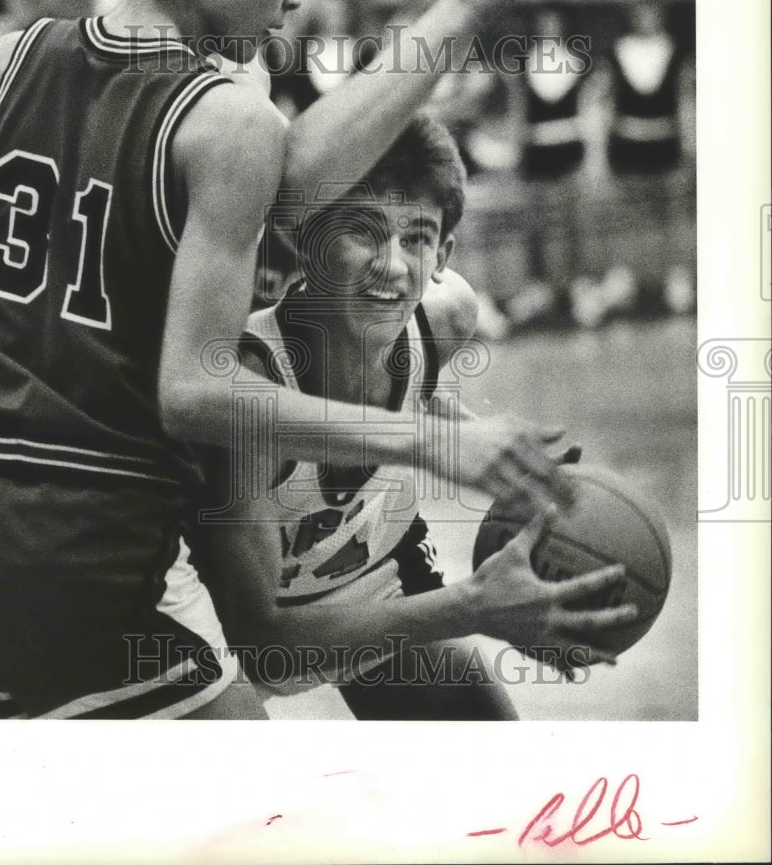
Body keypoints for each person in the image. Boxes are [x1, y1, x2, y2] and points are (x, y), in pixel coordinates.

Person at [0, 0, 573, 721]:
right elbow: (196, 393)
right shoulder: (227, 121)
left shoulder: (3, 62)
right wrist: (435, 443)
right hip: (89, 545)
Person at [191, 116, 637, 719]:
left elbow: (416, 395)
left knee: (488, 751)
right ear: (308, 240)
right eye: (363, 231)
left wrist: (504, 459)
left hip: (377, 575)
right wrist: (473, 605)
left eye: (417, 238)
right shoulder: (249, 388)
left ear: (443, 256)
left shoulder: (445, 320)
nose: (393, 265)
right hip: (243, 637)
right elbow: (268, 647)